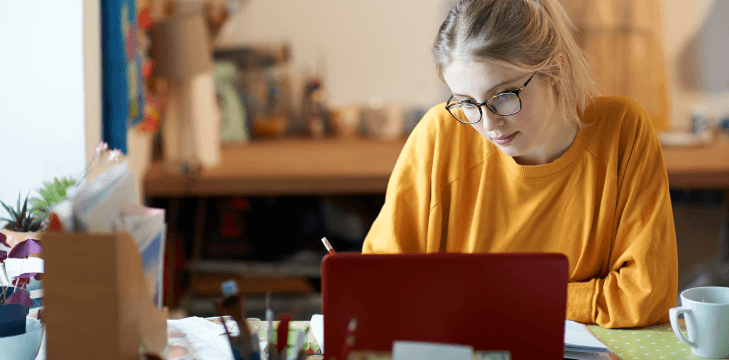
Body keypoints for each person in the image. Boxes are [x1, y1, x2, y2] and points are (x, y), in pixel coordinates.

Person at [362, 0, 677, 329]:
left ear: (555, 69)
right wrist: (569, 297)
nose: (488, 124)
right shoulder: (440, 134)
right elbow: (381, 283)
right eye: (468, 103)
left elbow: (645, 296)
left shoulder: (622, 131)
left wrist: (494, 295)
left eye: (503, 96)